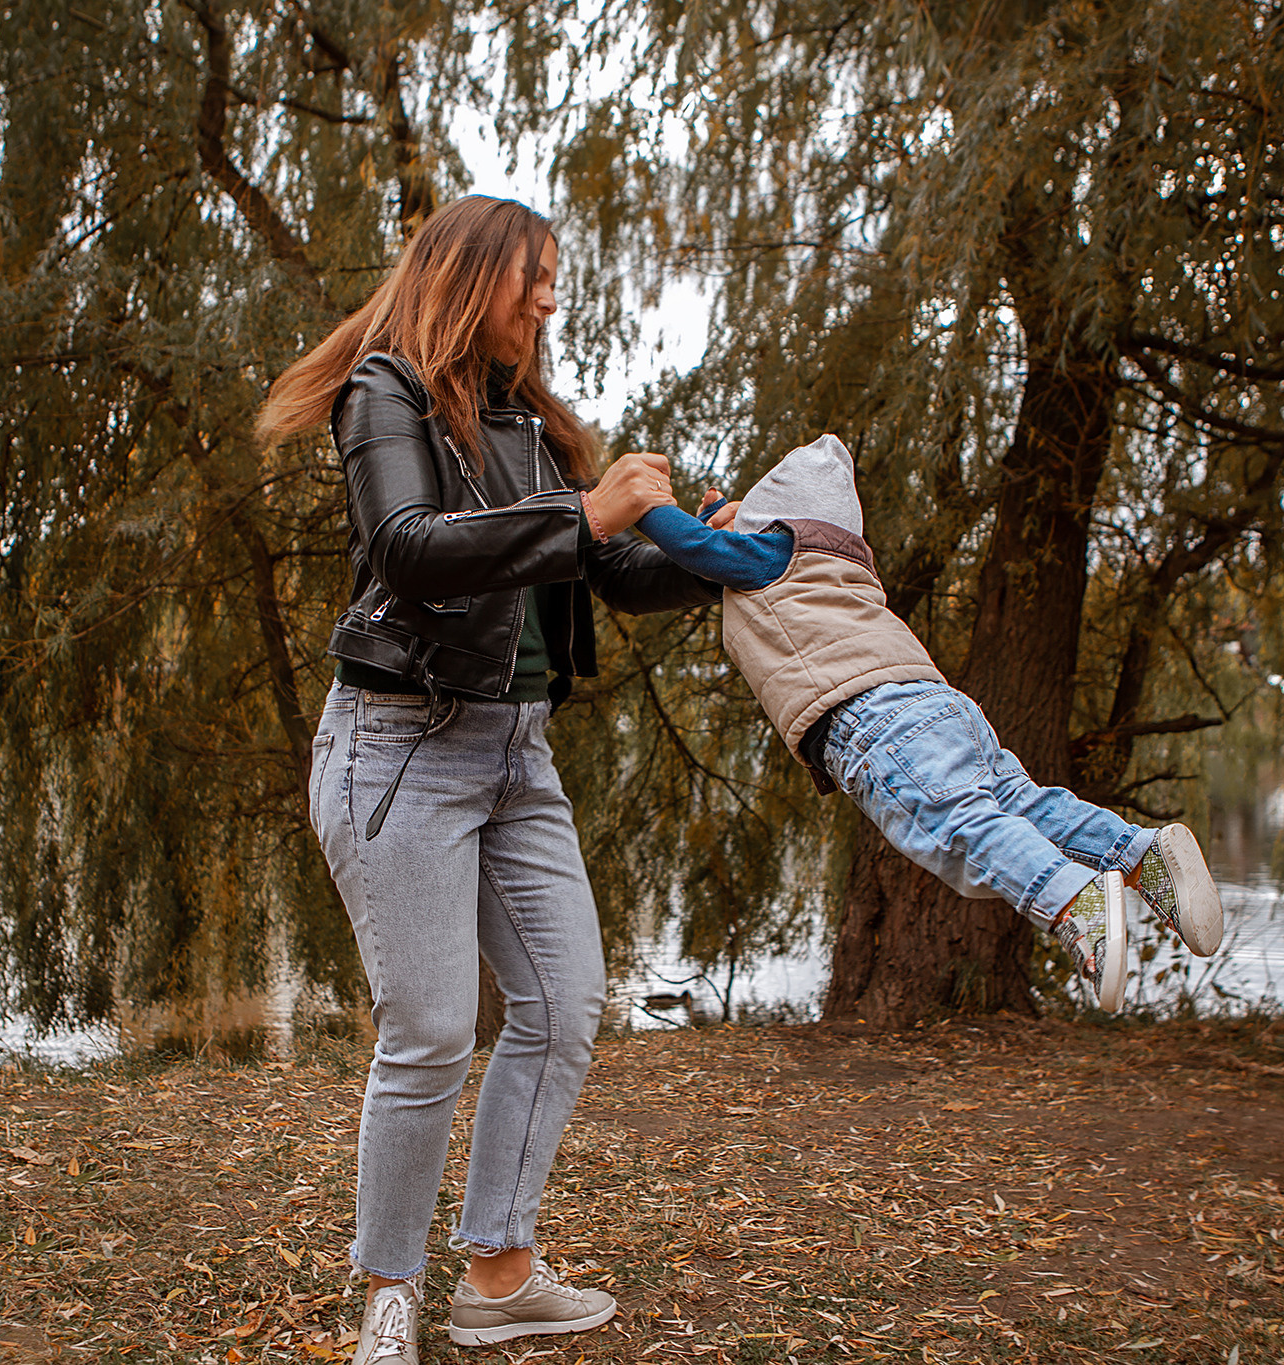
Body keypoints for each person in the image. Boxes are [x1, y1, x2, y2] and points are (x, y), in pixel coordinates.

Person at [255, 195, 720, 1362]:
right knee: (428, 1030)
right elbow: (407, 550)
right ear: (475, 276)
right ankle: (388, 1294)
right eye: (535, 278)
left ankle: (500, 1276)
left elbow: (607, 574)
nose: (550, 300)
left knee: (562, 1010)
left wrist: (719, 554)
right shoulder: (386, 393)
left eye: (556, 279)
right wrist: (582, 507)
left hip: (516, 752)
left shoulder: (536, 426)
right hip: (399, 742)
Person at [634, 433, 1226, 1005]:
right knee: (1023, 804)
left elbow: (695, 548)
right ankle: (1141, 855)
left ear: (774, 528)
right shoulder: (839, 564)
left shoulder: (768, 557)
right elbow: (720, 543)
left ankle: (1075, 902)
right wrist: (716, 511)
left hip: (870, 721)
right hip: (938, 706)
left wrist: (644, 504)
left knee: (954, 824)